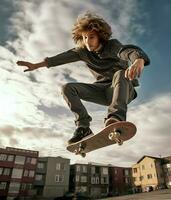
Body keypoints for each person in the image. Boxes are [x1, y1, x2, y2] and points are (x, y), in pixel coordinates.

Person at [17, 12, 150, 144]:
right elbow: (59, 58)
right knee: (67, 88)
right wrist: (36, 65)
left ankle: (116, 117)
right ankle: (83, 127)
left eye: (91, 37)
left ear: (100, 37)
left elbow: (128, 51)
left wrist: (138, 59)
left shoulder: (112, 46)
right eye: (85, 37)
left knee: (120, 73)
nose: (87, 42)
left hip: (122, 90)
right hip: (101, 91)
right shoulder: (82, 52)